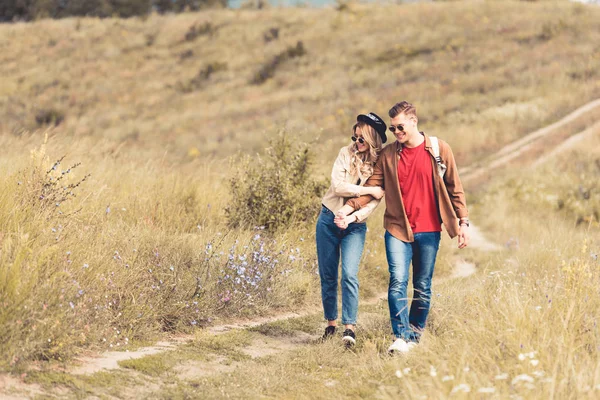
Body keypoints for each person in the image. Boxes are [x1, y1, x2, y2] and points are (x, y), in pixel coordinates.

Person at [334, 101, 470, 353]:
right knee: (397, 280)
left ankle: (414, 336)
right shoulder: (388, 155)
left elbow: (455, 187)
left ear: (414, 122)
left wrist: (463, 221)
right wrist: (348, 208)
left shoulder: (439, 149)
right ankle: (400, 335)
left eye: (400, 127)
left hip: (429, 231)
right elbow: (373, 188)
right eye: (393, 128)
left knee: (422, 285)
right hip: (397, 229)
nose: (396, 133)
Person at [316, 112, 387, 346]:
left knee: (349, 274)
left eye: (361, 139)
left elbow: (375, 203)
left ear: (372, 139)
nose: (356, 143)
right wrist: (367, 191)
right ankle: (330, 324)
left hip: (355, 226)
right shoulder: (344, 153)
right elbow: (337, 187)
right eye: (354, 137)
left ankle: (349, 328)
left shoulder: (379, 165)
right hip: (328, 218)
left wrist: (352, 216)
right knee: (328, 274)